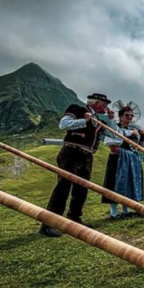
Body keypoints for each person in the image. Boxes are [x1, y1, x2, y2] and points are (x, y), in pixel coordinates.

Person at [41, 93, 111, 237]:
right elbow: (63, 125)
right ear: (97, 103)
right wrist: (83, 121)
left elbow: (111, 135)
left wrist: (110, 120)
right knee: (63, 187)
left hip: (86, 156)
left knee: (82, 188)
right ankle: (48, 224)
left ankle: (74, 217)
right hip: (71, 152)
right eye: (105, 104)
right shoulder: (77, 109)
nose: (107, 107)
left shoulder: (97, 119)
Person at [101, 104, 144, 218]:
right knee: (115, 183)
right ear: (120, 116)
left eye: (131, 115)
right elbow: (113, 148)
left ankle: (125, 211)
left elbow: (138, 147)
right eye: (126, 115)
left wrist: (142, 137)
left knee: (129, 183)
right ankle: (114, 213)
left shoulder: (133, 130)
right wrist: (130, 154)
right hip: (118, 160)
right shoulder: (115, 128)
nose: (129, 117)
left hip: (132, 160)